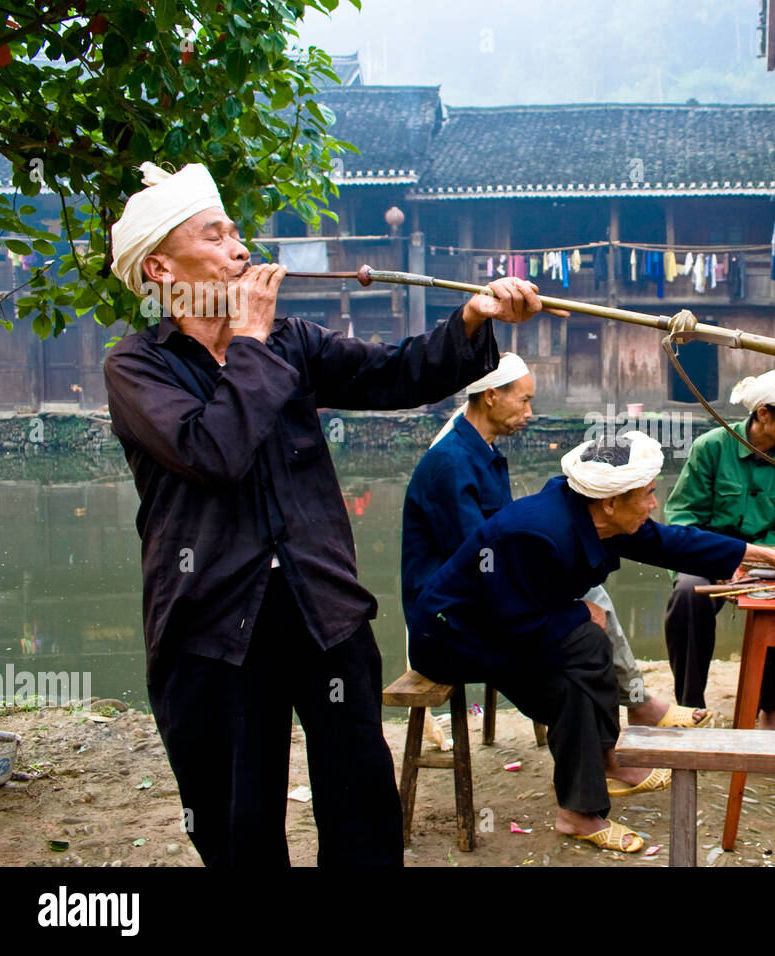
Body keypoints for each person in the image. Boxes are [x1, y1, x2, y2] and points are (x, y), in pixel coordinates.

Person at [102, 161, 559, 867]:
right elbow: (213, 450)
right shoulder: (139, 369)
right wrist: (249, 344)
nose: (240, 250)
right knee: (237, 820)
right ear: (160, 268)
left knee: (361, 803)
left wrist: (473, 318)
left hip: (321, 606)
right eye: (216, 236)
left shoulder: (295, 343)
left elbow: (398, 373)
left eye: (236, 234)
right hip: (212, 622)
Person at [406, 432, 775, 852]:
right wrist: (580, 613)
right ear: (611, 501)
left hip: (507, 625)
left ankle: (585, 797)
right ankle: (597, 775)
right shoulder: (536, 534)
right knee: (583, 649)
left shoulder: (599, 516)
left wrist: (768, 555)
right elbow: (507, 618)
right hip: (451, 636)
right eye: (649, 494)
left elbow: (673, 543)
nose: (654, 504)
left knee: (581, 665)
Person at [401, 354, 708, 729]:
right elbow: (478, 557)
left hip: (486, 590)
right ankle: (624, 715)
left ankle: (624, 713)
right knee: (588, 603)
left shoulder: (484, 452)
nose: (530, 411)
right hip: (453, 611)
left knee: (589, 597)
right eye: (524, 400)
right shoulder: (451, 464)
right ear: (492, 396)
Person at [663, 369, 775, 732]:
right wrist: (722, 558)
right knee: (687, 593)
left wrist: (756, 560)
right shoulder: (712, 447)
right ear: (764, 414)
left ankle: (770, 707)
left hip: (771, 560)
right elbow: (683, 519)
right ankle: (691, 705)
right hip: (710, 558)